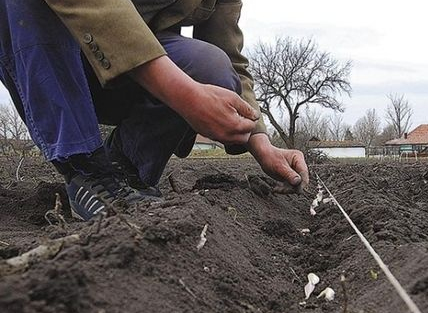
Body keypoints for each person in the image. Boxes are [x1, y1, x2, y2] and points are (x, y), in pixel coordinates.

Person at [0, 0, 309, 221]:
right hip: (48, 54)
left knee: (211, 66)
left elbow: (228, 50)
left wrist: (260, 142)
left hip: (128, 70)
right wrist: (184, 94)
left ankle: (124, 168)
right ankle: (84, 168)